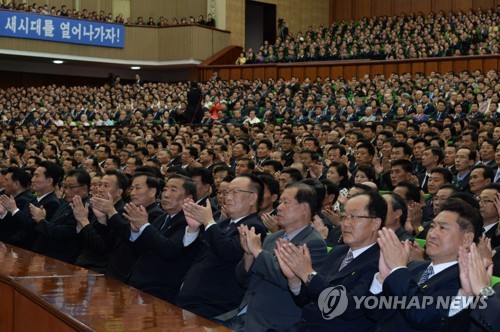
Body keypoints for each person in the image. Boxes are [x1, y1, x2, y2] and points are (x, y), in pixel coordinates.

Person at [216, 182, 327, 330]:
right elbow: (243, 280)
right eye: (280, 202)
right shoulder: (272, 237)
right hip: (243, 314)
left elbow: (284, 280)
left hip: (272, 323)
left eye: (285, 203)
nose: (279, 207)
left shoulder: (313, 243)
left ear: (304, 209)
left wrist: (257, 251)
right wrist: (248, 254)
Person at [275, 189, 387, 331]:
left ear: (375, 223)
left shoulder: (381, 262)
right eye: (344, 217)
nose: (346, 223)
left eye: (354, 217)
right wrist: (294, 279)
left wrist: (308, 274)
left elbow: (350, 307)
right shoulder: (338, 252)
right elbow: (307, 300)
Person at [369, 198, 482, 331]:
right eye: (433, 226)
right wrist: (382, 279)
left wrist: (398, 269)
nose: (432, 234)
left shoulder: (465, 280)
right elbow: (374, 313)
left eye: (443, 228)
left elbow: (425, 318)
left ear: (467, 239)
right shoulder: (414, 267)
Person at [176, 174, 267, 318]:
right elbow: (193, 257)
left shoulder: (254, 227)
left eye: (235, 192)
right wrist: (193, 229)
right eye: (227, 192)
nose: (228, 197)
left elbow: (229, 253)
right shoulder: (224, 223)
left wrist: (208, 222)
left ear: (252, 198)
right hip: (190, 299)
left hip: (213, 307)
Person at [124, 174, 200, 302]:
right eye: (165, 189)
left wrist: (144, 226)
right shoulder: (162, 218)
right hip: (136, 285)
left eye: (173, 190)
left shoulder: (190, 223)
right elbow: (140, 252)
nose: (166, 194)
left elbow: (169, 250)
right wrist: (135, 231)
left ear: (188, 198)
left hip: (159, 293)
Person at [29, 169, 91, 263]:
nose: (66, 191)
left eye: (71, 187)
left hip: (63, 259)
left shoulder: (85, 208)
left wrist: (41, 220)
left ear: (84, 189)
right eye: (65, 187)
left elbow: (64, 233)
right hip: (48, 255)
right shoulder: (67, 203)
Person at [0, 161, 63, 249]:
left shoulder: (52, 203)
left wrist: (14, 210)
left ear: (49, 181)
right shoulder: (33, 199)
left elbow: (33, 230)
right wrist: (3, 213)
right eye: (33, 175)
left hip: (28, 249)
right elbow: (15, 225)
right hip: (14, 244)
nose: (32, 179)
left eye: (37, 176)